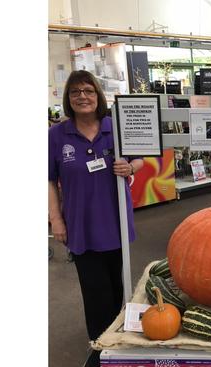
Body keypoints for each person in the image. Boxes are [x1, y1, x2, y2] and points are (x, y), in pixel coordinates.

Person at [48, 70, 143, 365]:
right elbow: (48, 180)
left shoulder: (114, 128)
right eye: (75, 92)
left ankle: (121, 345)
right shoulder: (56, 135)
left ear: (98, 96)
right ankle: (101, 348)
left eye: (88, 91)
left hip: (115, 221)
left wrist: (132, 168)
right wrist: (56, 220)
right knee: (94, 291)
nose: (82, 97)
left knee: (120, 285)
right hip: (80, 226)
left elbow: (140, 156)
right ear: (68, 99)